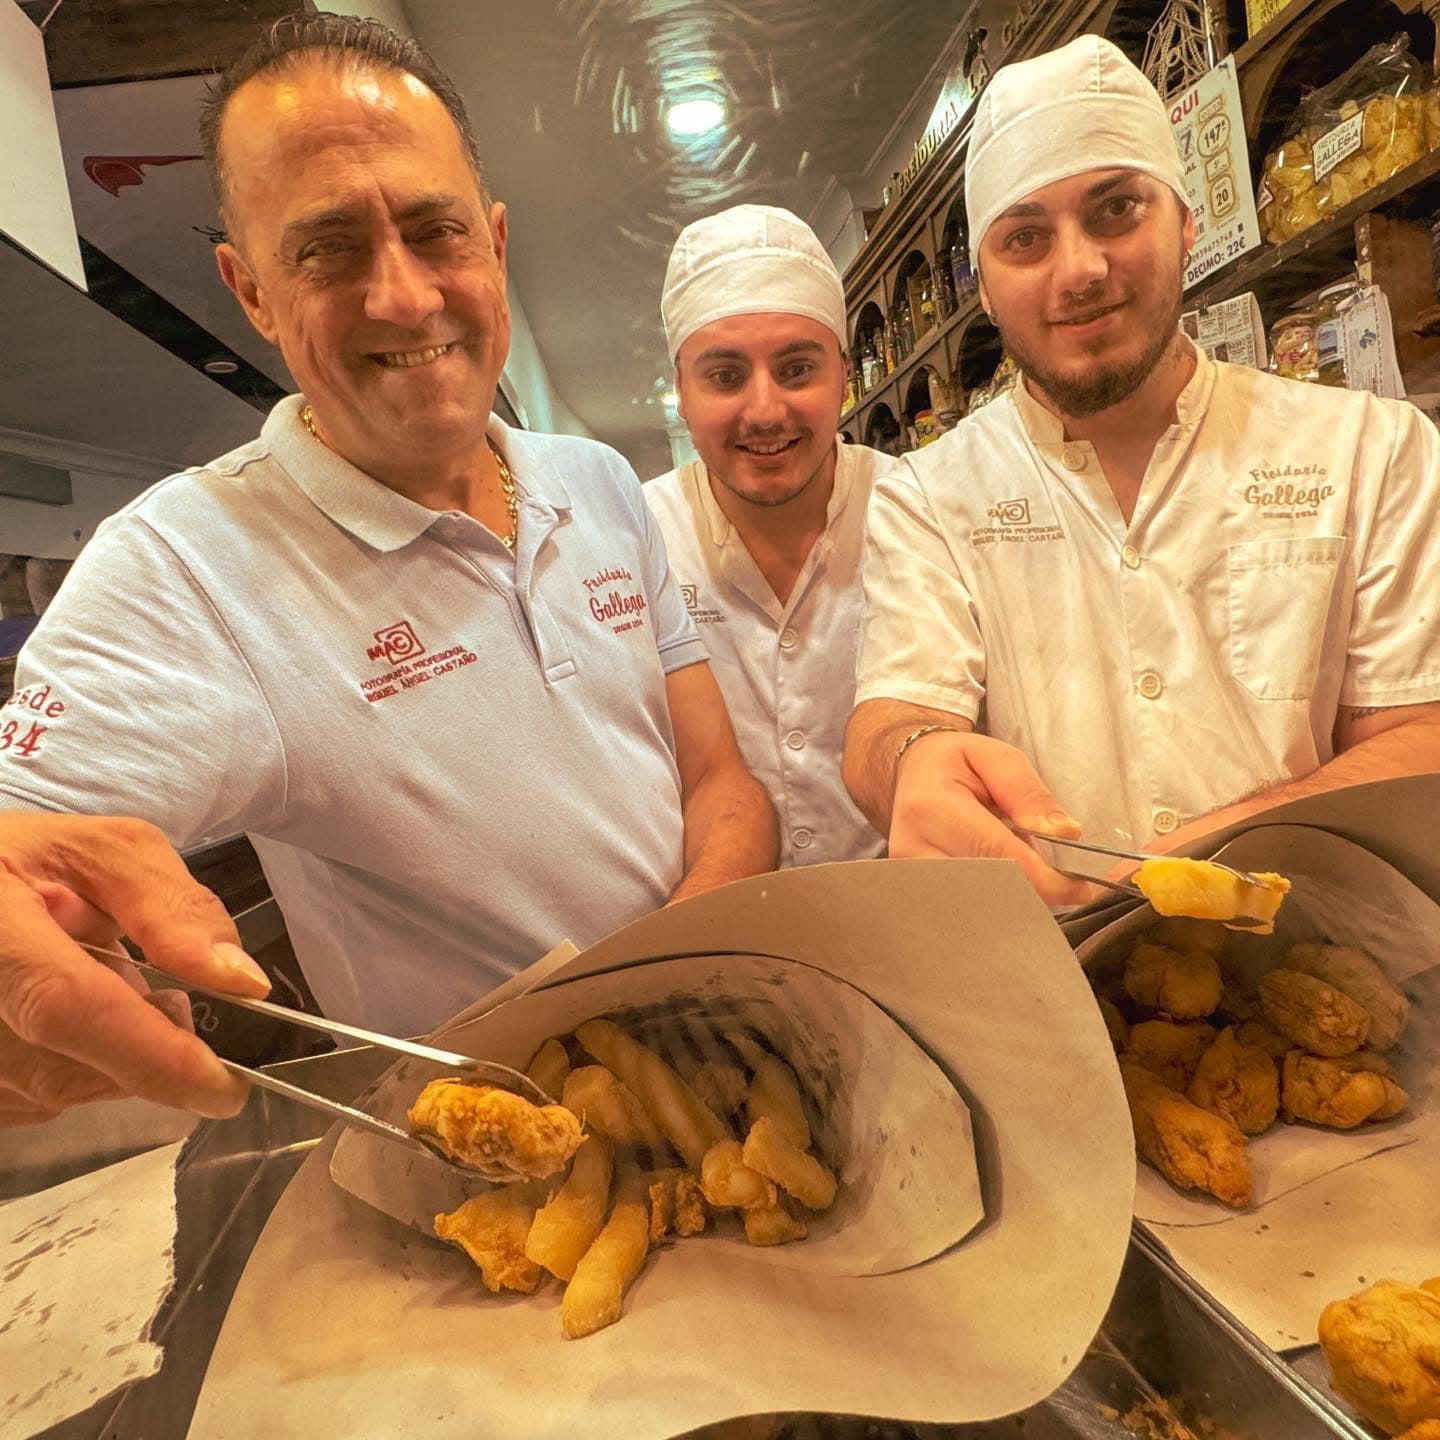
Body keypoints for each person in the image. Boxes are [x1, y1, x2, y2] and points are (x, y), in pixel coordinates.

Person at [0, 15, 776, 1126]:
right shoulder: (188, 567)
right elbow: (20, 827)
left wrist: (682, 974)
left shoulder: (600, 483)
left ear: (496, 245)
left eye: (433, 230)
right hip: (502, 1165)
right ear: (252, 290)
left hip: (726, 1063)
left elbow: (719, 779)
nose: (405, 297)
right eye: (327, 249)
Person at [843, 34, 1440, 905]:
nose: (1079, 269)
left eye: (1117, 209)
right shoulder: (929, 497)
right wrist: (914, 760)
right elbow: (889, 720)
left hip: (1328, 960)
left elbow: (1418, 738)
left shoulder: (1372, 450)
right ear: (985, 283)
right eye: (1026, 237)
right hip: (1059, 988)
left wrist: (1161, 877)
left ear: (1186, 219)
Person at [646, 206, 889, 867]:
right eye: (725, 376)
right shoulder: (636, 542)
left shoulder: (915, 508)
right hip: (728, 929)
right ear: (682, 393)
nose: (764, 411)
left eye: (796, 369)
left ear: (842, 373)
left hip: (915, 913)